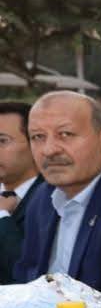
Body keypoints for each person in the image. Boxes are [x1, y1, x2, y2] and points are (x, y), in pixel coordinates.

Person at [15, 91, 101, 294]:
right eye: (38, 137)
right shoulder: (42, 197)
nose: (49, 150)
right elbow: (25, 277)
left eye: (65, 134)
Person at [0, 101, 42, 284]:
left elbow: (31, 274)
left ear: (34, 144)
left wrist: (2, 216)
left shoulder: (54, 198)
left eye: (2, 141)